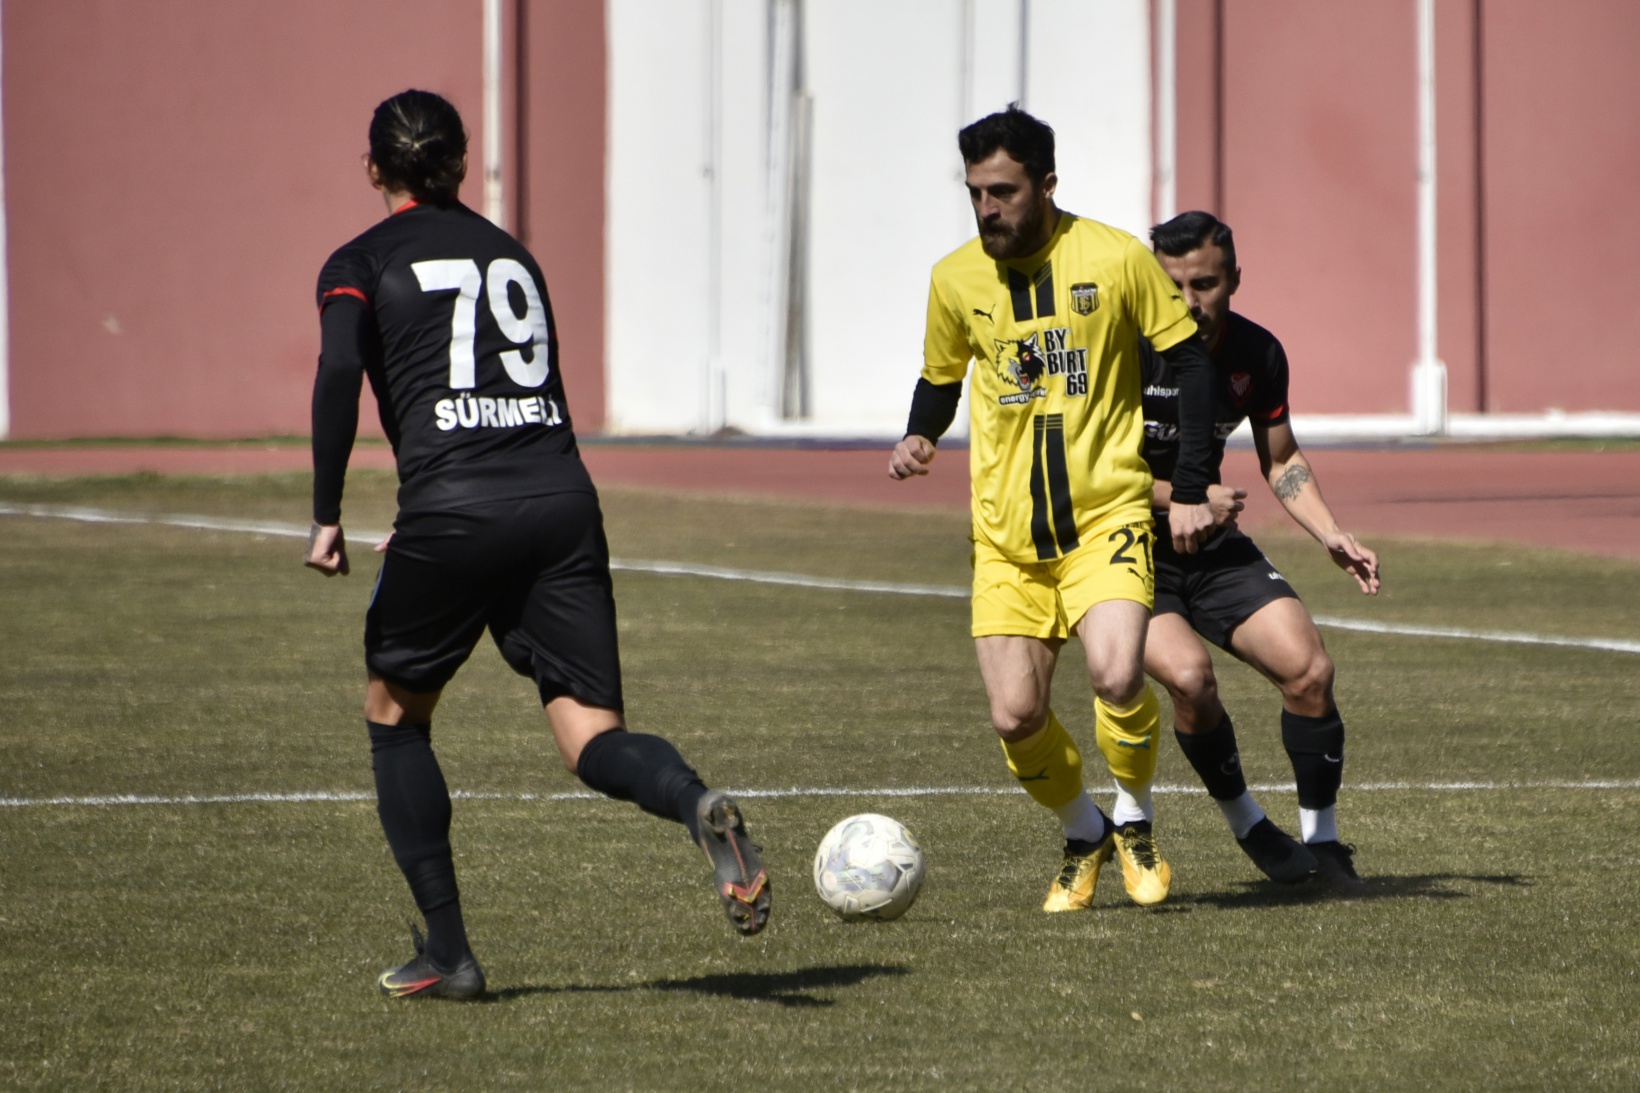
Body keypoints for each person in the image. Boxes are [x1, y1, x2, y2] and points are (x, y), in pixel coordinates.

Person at [304, 90, 770, 1000]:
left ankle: (449, 955)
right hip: (560, 501)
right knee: (591, 735)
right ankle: (692, 801)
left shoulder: (358, 261)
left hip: (452, 510)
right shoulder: (512, 255)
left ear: (373, 168)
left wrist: (327, 511)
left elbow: (339, 368)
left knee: (396, 717)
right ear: (460, 164)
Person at [889, 106, 1218, 911]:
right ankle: (1084, 831)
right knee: (1015, 715)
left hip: (1105, 519)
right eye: (976, 193)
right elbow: (941, 375)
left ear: (1046, 184)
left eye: (1003, 191)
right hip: (1007, 540)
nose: (986, 208)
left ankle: (1134, 817)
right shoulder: (955, 277)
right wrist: (920, 434)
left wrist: (1192, 484)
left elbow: (1189, 360)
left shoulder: (1114, 257)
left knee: (1117, 673)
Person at [1139, 210, 1380, 888]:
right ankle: (1249, 824)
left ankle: (1324, 842)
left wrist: (1329, 531)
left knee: (1309, 670)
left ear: (1235, 280)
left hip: (1209, 543)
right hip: (1123, 549)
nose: (1189, 302)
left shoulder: (1257, 352)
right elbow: (1086, 475)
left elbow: (1281, 459)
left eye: (1205, 284)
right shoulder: (1122, 350)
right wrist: (1181, 498)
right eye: (1172, 287)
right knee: (1190, 680)